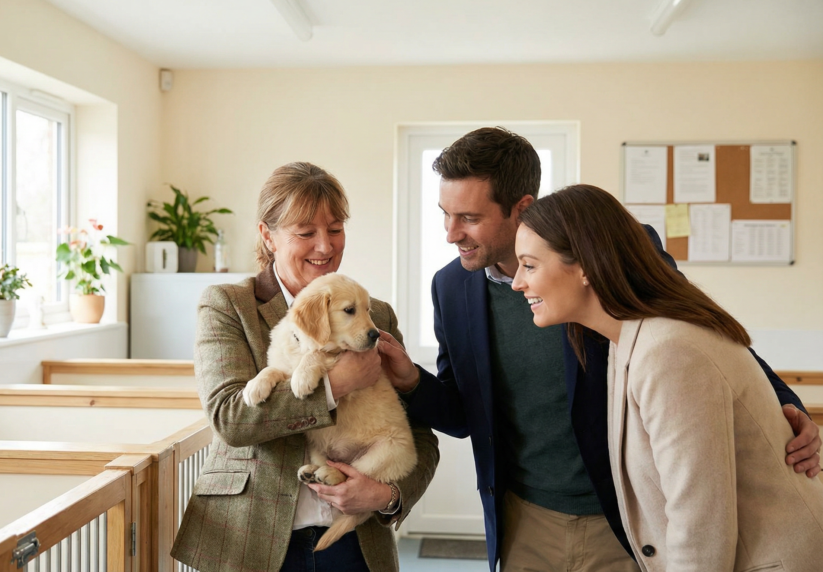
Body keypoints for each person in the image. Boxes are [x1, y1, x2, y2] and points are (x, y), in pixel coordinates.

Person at [376, 127, 821, 572]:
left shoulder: (608, 253)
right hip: (526, 516)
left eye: (469, 218)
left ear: (522, 207)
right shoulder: (450, 287)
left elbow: (693, 331)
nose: (451, 234)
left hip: (628, 514)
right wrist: (411, 381)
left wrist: (781, 406)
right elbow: (462, 412)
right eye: (445, 214)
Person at [511, 183, 823, 571]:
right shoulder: (625, 337)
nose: (517, 282)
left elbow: (700, 526)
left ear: (586, 267)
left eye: (529, 265)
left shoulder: (669, 351)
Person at [171, 162, 439, 572]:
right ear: (267, 235)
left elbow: (419, 435)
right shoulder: (229, 305)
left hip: (355, 544)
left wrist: (386, 497)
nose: (324, 246)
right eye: (305, 232)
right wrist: (334, 384)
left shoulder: (374, 316)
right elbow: (230, 418)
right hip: (251, 538)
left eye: (335, 229)